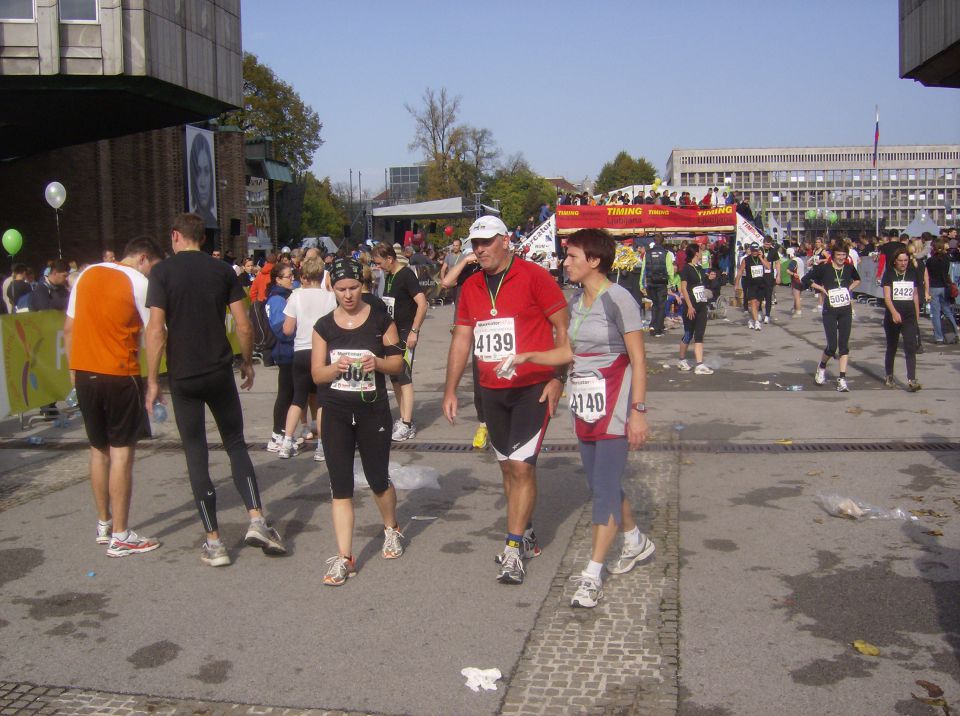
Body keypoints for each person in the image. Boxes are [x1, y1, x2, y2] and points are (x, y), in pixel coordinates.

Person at [505, 229, 654, 608]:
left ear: (594, 261)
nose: (565, 262)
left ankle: (591, 575)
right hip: (585, 407)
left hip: (616, 406)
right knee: (599, 482)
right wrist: (529, 357)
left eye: (571, 256)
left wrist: (638, 412)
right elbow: (568, 352)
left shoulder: (620, 299)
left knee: (603, 489)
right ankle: (635, 540)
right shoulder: (576, 300)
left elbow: (638, 359)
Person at [145, 213, 286, 567]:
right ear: (203, 239)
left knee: (196, 452)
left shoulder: (162, 273)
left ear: (176, 236)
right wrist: (247, 362)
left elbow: (156, 331)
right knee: (235, 443)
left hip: (184, 375)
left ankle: (214, 541)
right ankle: (256, 519)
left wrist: (151, 379)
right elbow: (243, 323)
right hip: (218, 370)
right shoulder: (222, 270)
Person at [442, 215, 568, 585]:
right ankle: (525, 530)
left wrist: (559, 377)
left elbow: (562, 327)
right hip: (491, 390)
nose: (479, 250)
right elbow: (462, 340)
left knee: (523, 466)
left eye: (486, 242)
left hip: (533, 386)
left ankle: (513, 549)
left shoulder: (534, 276)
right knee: (507, 468)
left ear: (506, 241)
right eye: (474, 244)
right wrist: (451, 390)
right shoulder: (471, 287)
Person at [63, 237, 166, 557]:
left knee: (98, 449)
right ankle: (121, 534)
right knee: (122, 452)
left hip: (85, 372)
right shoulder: (137, 282)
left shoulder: (86, 274)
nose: (153, 276)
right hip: (119, 373)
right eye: (154, 269)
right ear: (144, 259)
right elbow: (155, 333)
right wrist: (153, 381)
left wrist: (73, 371)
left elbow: (69, 328)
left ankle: (104, 523)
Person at [311, 258, 405, 586]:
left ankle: (391, 528)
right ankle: (344, 556)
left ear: (362, 286)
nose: (348, 295)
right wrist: (337, 367)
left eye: (353, 288)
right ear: (332, 289)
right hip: (335, 411)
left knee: (378, 478)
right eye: (341, 290)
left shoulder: (380, 318)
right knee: (340, 486)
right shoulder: (324, 326)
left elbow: (397, 364)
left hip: (372, 411)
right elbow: (316, 373)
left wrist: (376, 362)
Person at [277, 256, 337, 460]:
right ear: (322, 275)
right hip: (323, 352)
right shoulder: (330, 297)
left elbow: (287, 329)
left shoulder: (295, 295)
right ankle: (321, 445)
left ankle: (286, 442)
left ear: (304, 276)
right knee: (322, 401)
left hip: (301, 350)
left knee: (298, 398)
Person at [371, 243, 428, 442]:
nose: (378, 267)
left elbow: (422, 303)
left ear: (389, 259)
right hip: (392, 332)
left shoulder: (406, 275)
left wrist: (414, 330)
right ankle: (403, 417)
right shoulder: (388, 276)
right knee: (394, 375)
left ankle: (407, 422)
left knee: (404, 375)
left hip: (405, 332)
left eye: (380, 263)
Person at [439, 250, 488, 449]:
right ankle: (483, 423)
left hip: (495, 327)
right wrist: (465, 261)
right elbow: (446, 282)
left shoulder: (493, 267)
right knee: (479, 380)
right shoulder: (466, 269)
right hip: (471, 328)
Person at [808, 240, 861, 392]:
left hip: (845, 310)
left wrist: (848, 289)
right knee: (832, 346)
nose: (841, 258)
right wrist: (822, 289)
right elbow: (807, 280)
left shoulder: (849, 268)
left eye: (844, 255)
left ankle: (842, 378)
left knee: (844, 345)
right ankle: (822, 366)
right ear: (833, 256)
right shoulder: (825, 269)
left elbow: (858, 279)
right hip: (830, 310)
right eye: (838, 255)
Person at [264, 263, 296, 453]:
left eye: (292, 275)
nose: (292, 278)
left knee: (291, 393)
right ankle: (277, 434)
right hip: (285, 352)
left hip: (290, 351)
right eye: (288, 276)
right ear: (277, 279)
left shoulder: (285, 296)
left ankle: (284, 432)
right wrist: (297, 328)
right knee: (285, 394)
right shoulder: (276, 299)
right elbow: (281, 330)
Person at [881, 248, 922, 391]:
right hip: (893, 314)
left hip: (909, 315)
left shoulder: (912, 273)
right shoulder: (889, 274)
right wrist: (893, 312)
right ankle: (889, 375)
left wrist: (917, 315)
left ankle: (912, 379)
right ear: (895, 261)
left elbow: (915, 295)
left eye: (906, 260)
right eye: (900, 261)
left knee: (910, 345)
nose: (903, 263)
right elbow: (887, 297)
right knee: (892, 346)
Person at [677, 244, 714, 375]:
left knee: (699, 335)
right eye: (700, 251)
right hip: (690, 306)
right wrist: (689, 306)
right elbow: (683, 288)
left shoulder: (699, 268)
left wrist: (709, 278)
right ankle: (681, 359)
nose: (702, 253)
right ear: (695, 253)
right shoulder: (686, 269)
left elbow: (702, 284)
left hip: (701, 305)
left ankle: (699, 364)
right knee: (688, 334)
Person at [924, 239, 959, 345]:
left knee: (935, 313)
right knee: (947, 311)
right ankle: (955, 334)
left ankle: (939, 337)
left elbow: (927, 275)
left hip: (934, 287)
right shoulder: (946, 259)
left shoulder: (930, 261)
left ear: (933, 248)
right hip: (945, 287)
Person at [642, 238, 675, 337]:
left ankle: (652, 325)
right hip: (662, 282)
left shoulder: (647, 253)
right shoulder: (666, 253)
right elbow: (670, 269)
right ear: (662, 241)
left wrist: (641, 284)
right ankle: (658, 329)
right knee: (661, 305)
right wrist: (672, 284)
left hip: (650, 282)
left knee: (655, 304)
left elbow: (644, 269)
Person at [188, 132, 217, 229]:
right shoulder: (188, 222)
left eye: (207, 171)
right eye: (198, 172)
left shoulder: (214, 221)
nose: (203, 183)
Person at [735, 243, 766, 330]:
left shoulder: (761, 257)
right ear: (750, 250)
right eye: (753, 250)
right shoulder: (746, 260)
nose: (755, 252)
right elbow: (740, 271)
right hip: (751, 284)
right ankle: (757, 322)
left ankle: (751, 320)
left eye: (756, 250)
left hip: (761, 284)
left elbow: (768, 266)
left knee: (757, 304)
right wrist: (737, 283)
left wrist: (761, 258)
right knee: (753, 302)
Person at [759, 236, 780, 323]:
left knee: (768, 296)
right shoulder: (759, 249)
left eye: (769, 244)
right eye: (766, 244)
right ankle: (759, 312)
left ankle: (767, 315)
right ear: (763, 243)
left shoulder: (773, 251)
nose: (767, 246)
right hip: (760, 275)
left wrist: (778, 275)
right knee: (759, 295)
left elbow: (777, 262)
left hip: (769, 276)